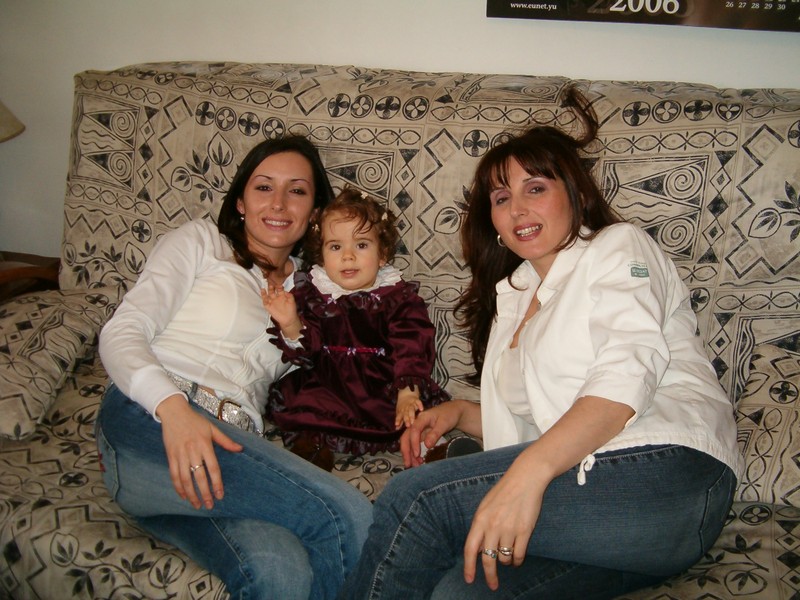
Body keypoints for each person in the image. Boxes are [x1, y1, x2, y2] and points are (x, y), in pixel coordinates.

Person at [339, 86, 743, 600]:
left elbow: (627, 371)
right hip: (618, 526)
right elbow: (543, 421)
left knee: (418, 498)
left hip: (668, 472)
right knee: (460, 592)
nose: (517, 208)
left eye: (535, 188)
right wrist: (462, 414)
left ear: (575, 194)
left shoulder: (619, 247)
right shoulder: (514, 296)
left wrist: (528, 471)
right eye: (501, 198)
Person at [95, 136, 373, 600]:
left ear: (314, 212)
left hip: (227, 454)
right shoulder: (202, 242)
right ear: (241, 202)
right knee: (346, 513)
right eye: (264, 187)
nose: (279, 203)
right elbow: (123, 330)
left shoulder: (315, 291)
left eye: (297, 190)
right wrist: (173, 410)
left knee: (280, 573)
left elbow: (334, 378)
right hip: (152, 420)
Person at [262, 187, 450, 464]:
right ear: (322, 255)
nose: (348, 256)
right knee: (304, 408)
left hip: (382, 384)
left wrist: (407, 391)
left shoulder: (396, 297)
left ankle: (430, 446)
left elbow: (412, 343)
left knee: (412, 414)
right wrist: (290, 322)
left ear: (382, 254)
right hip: (328, 383)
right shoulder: (313, 294)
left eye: (361, 245)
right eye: (335, 247)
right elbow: (308, 353)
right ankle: (311, 448)